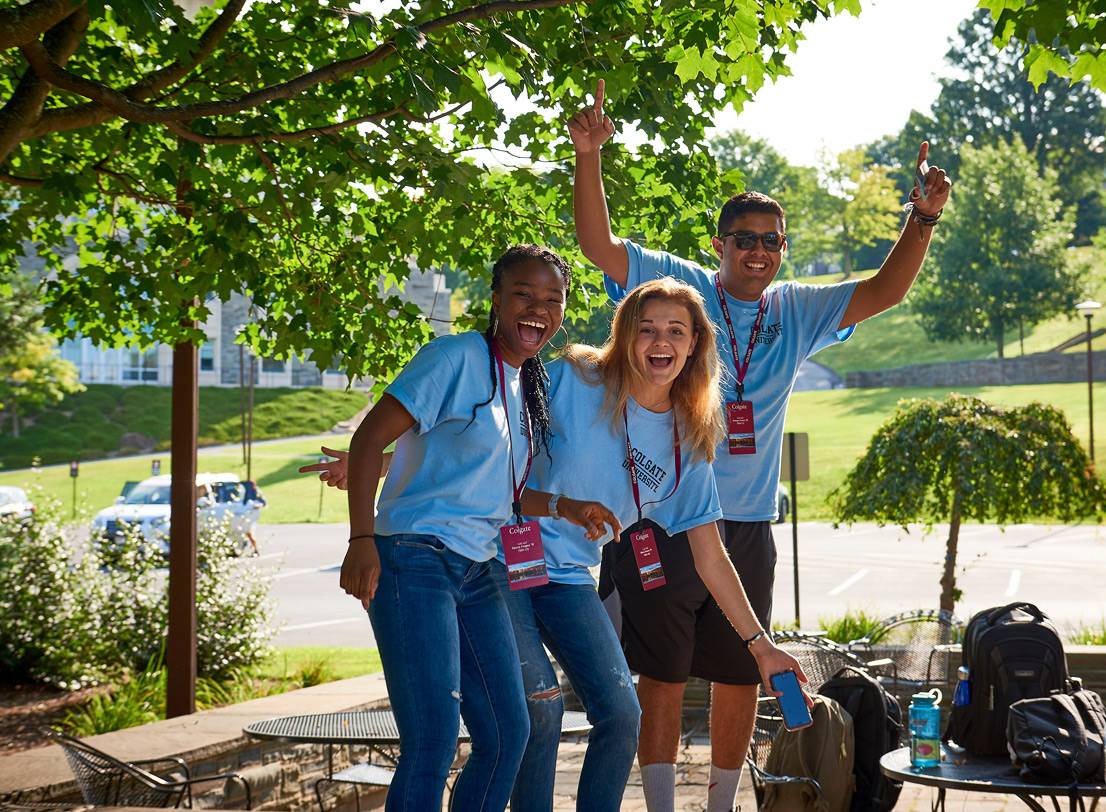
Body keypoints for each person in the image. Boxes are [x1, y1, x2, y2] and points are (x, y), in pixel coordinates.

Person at [567, 79, 952, 812]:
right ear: (719, 246)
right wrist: (589, 155)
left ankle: (718, 805)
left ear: (783, 250)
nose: (759, 251)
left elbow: (885, 291)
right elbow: (597, 244)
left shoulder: (798, 309)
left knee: (742, 674)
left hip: (746, 522)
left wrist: (922, 218)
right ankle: (658, 805)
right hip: (667, 516)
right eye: (744, 238)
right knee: (663, 676)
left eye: (772, 240)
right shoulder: (679, 285)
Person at [308, 277, 810, 812]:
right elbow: (490, 443)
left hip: (567, 576)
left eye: (675, 331)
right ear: (625, 335)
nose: (659, 342)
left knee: (621, 712)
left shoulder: (689, 442)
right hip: (499, 561)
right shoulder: (576, 378)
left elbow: (712, 559)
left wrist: (760, 644)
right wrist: (381, 464)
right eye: (646, 329)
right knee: (539, 712)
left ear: (694, 345)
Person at [334, 244, 618, 812]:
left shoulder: (523, 383)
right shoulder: (455, 357)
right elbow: (368, 441)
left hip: (480, 566)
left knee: (508, 732)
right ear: (495, 299)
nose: (538, 309)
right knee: (433, 738)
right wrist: (361, 541)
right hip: (414, 558)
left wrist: (566, 506)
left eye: (552, 300)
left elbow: (502, 491)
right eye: (523, 294)